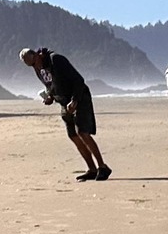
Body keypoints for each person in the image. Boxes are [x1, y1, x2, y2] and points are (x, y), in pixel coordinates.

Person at [20, 47, 110, 180]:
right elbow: (50, 84)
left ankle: (102, 167)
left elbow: (79, 80)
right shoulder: (38, 68)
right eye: (30, 66)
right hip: (63, 102)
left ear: (38, 55)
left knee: (83, 132)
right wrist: (50, 96)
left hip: (79, 97)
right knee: (73, 135)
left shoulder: (56, 60)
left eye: (34, 63)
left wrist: (75, 100)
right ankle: (91, 169)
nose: (35, 67)